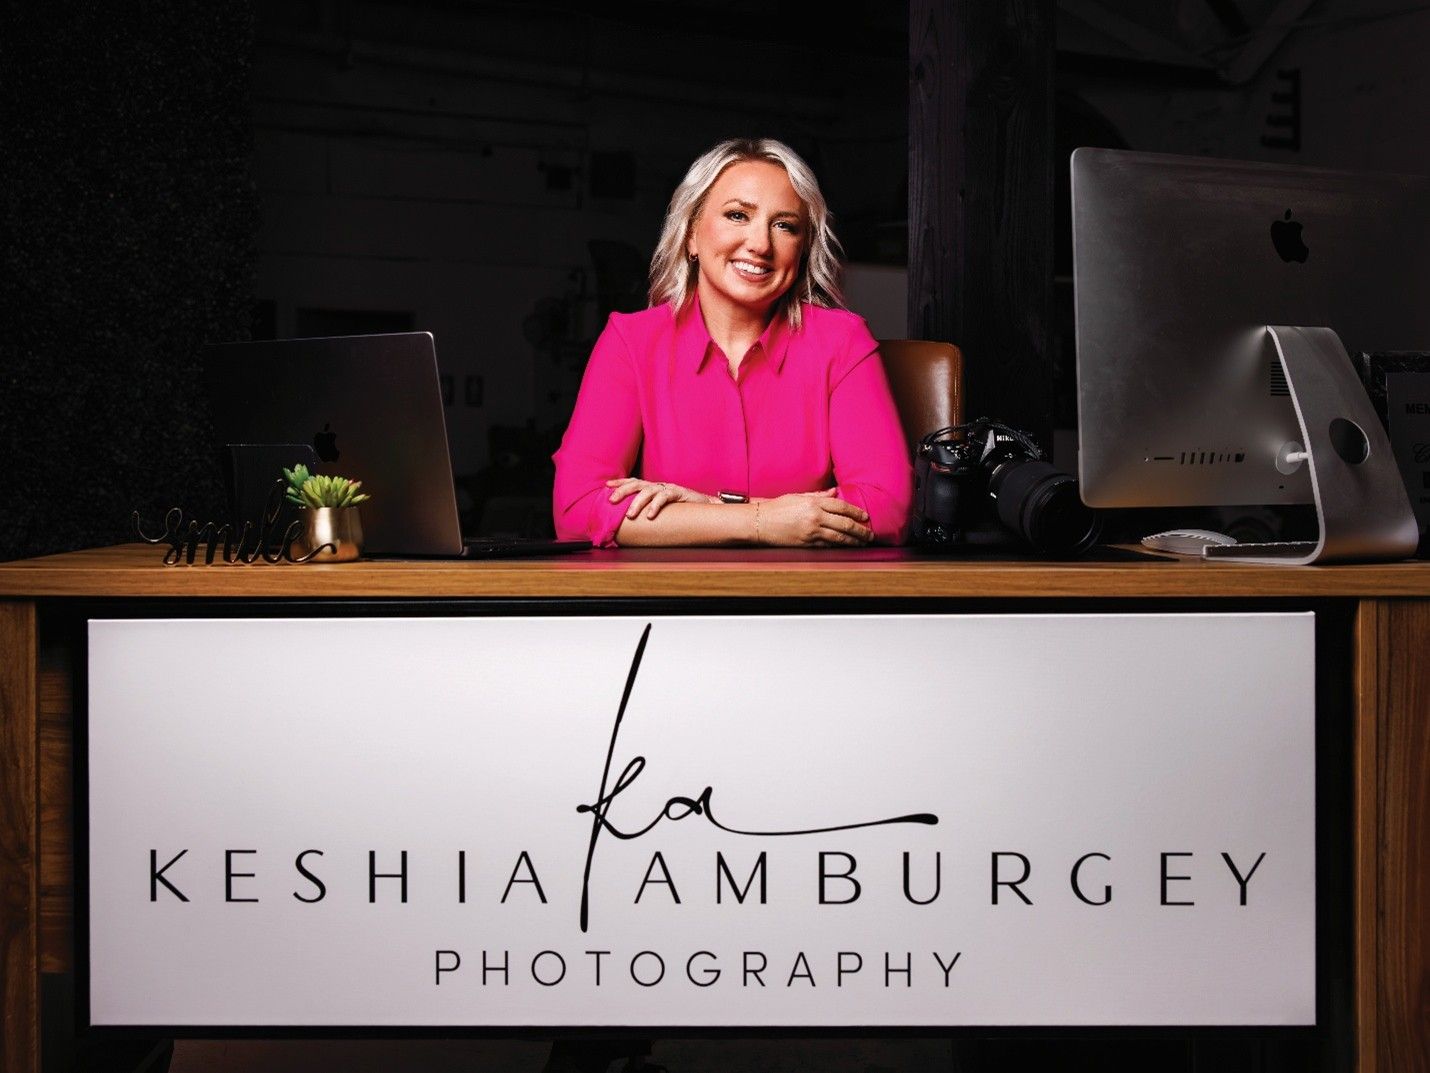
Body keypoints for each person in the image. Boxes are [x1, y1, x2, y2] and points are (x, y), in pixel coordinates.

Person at [552, 137, 912, 548]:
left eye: (785, 225)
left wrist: (707, 509)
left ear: (803, 248)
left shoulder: (841, 341)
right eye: (738, 215)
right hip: (671, 601)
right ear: (690, 234)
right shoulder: (632, 342)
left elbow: (886, 509)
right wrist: (759, 520)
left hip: (804, 599)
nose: (760, 244)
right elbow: (577, 510)